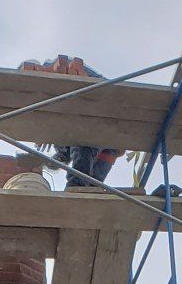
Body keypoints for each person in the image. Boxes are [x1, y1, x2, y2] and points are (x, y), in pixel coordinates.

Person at [19, 54, 118, 188]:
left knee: (81, 142)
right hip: (109, 135)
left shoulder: (59, 68)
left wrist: (46, 129)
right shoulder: (55, 81)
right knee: (94, 186)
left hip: (96, 121)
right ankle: (66, 160)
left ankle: (73, 177)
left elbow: (67, 108)